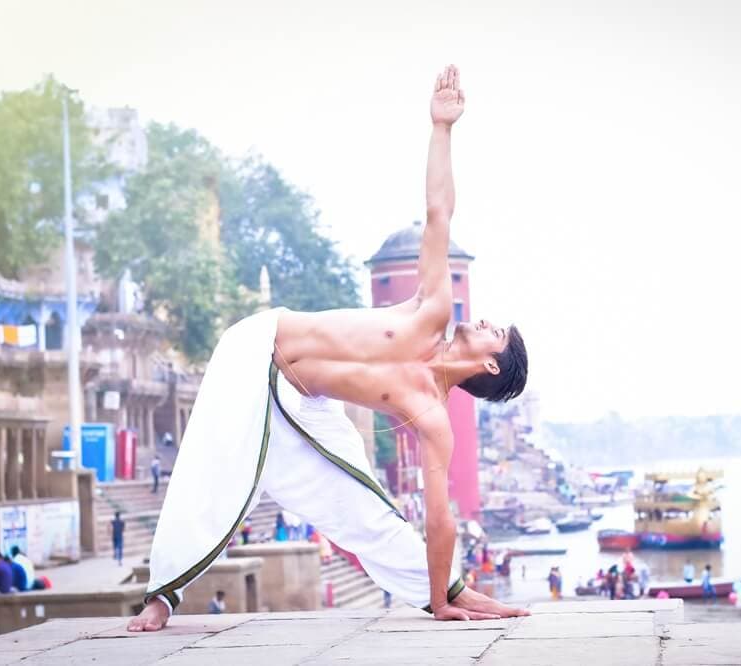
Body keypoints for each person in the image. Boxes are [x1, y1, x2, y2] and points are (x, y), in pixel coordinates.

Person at [128, 65, 528, 633]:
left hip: (307, 402)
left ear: (491, 363)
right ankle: (162, 595)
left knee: (367, 511)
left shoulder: (434, 418)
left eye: (498, 332)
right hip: (258, 347)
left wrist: (443, 595)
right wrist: (442, 129)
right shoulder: (432, 309)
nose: (486, 319)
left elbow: (440, 519)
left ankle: (454, 591)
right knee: (217, 468)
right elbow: (439, 211)